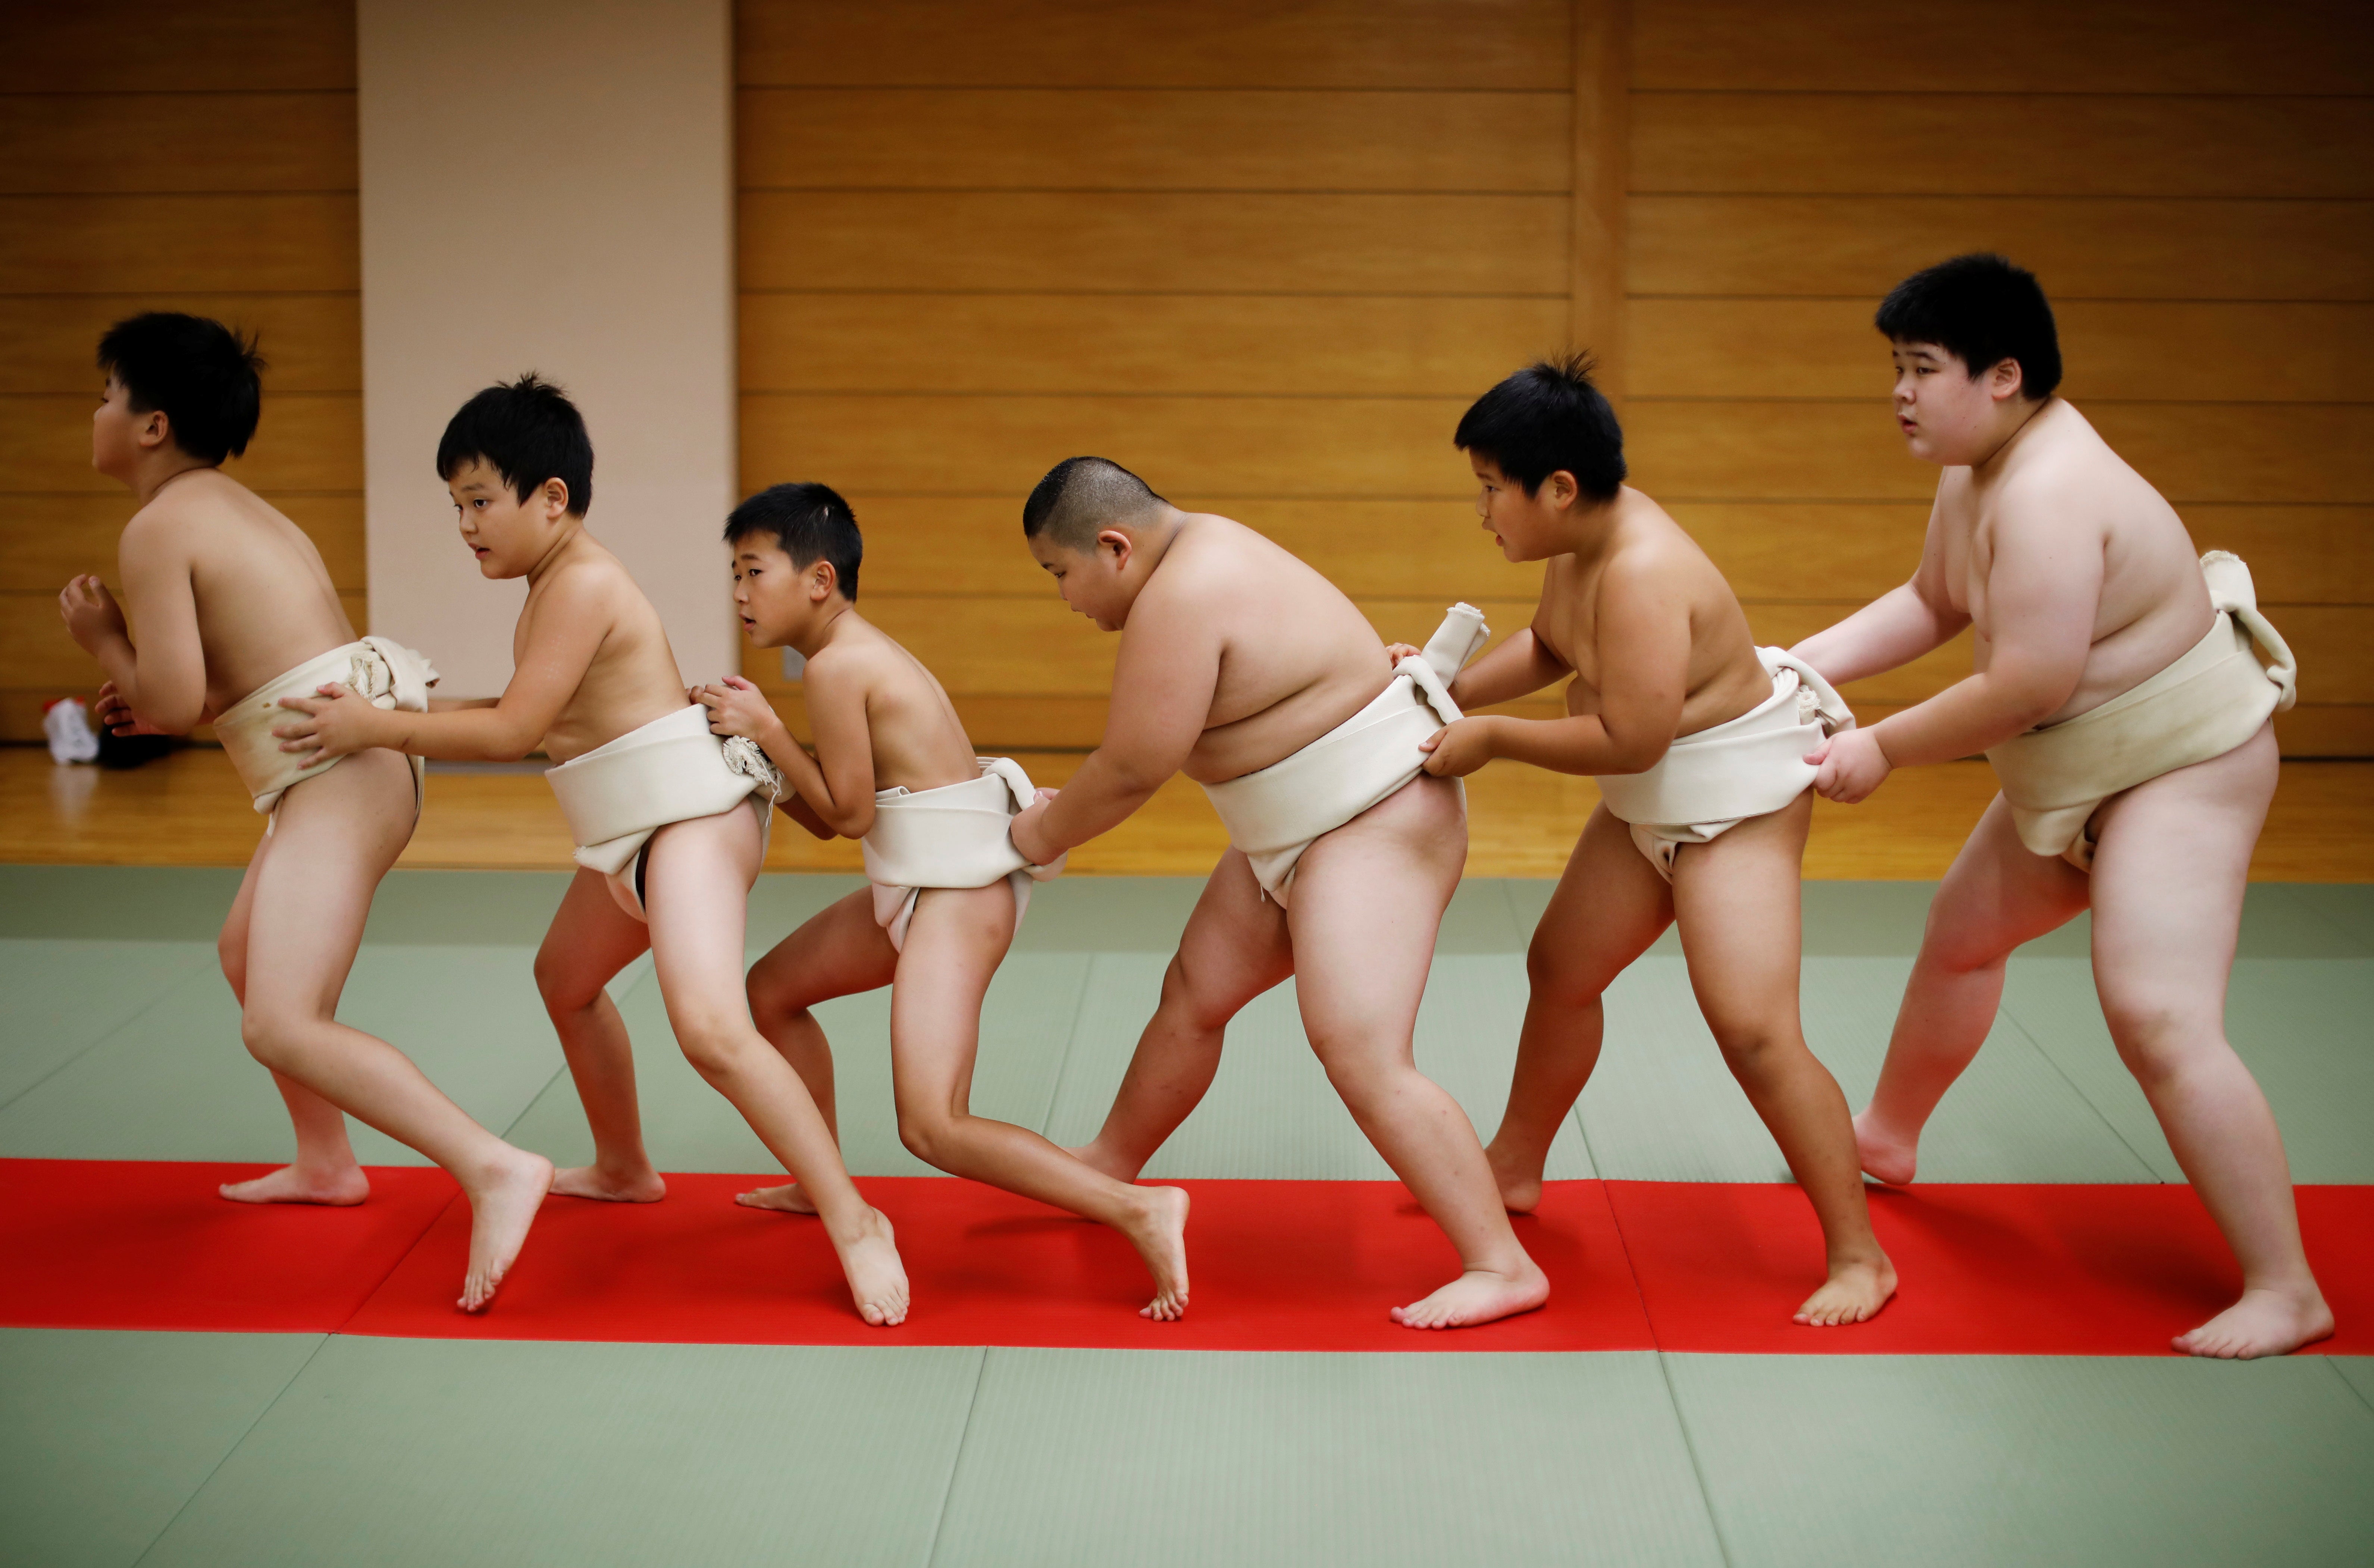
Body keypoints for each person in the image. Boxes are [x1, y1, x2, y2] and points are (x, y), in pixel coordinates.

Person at [271, 377, 908, 1326]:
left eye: (482, 501)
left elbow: (512, 730)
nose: (465, 524)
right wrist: (388, 711)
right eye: (456, 504)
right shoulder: (549, 587)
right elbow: (511, 711)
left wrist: (377, 726)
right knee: (564, 978)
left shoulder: (584, 584)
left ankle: (856, 1219)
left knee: (710, 1027)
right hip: (630, 832)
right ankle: (623, 1167)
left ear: (552, 498)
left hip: (689, 823)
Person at [1793, 253, 2331, 1358]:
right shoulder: (1975, 468)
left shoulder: (2049, 488)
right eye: (1894, 368)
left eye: (1920, 369)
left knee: (2156, 1016)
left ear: (2002, 375)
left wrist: (1880, 747)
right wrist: (1795, 670)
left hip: (2178, 765)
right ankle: (1885, 1137)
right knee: (1960, 939)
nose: (1898, 391)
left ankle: (2286, 1286)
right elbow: (1931, 600)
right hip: (2076, 766)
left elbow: (2027, 682)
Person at [58, 312, 551, 1313]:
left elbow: (163, 702)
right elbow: (194, 698)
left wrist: (101, 640)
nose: (97, 413)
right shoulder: (227, 507)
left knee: (279, 1021)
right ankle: (327, 1164)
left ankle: (492, 1162)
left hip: (340, 772)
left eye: (107, 396)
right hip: (342, 766)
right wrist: (137, 674)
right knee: (249, 960)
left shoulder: (157, 528)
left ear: (152, 424)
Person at [1005, 456, 1549, 1330]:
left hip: (1370, 817)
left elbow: (1133, 765)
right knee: (1194, 993)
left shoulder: (1185, 590)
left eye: (1059, 574)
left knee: (1359, 1049)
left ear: (1114, 546)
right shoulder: (1199, 555)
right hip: (1292, 825)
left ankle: (1501, 1263)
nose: (1065, 597)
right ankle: (1108, 1159)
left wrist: (1031, 836)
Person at [1412, 356, 1896, 1327]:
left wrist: (1493, 738)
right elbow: (1553, 647)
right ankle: (1512, 1163)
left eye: (1488, 489)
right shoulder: (1578, 540)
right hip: (1651, 800)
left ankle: (1860, 1255)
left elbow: (1630, 733)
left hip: (1735, 805)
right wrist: (1444, 688)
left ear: (1557, 487)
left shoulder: (1640, 569)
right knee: (1560, 966)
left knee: (1753, 1032)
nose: (1480, 509)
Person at [694, 483, 1192, 1319]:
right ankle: (821, 1179)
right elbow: (828, 819)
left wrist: (767, 733)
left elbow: (848, 813)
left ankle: (1139, 1206)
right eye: (734, 574)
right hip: (919, 883)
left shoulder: (839, 665)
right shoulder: (840, 658)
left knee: (931, 1125)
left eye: (753, 571)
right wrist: (759, 749)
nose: (739, 593)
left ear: (820, 580)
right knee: (771, 992)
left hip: (957, 896)